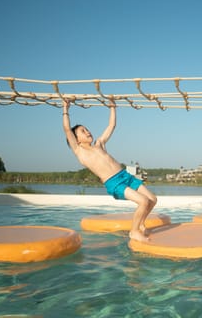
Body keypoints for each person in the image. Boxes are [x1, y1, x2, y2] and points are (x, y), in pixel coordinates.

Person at [62, 97, 157, 242]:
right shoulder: (80, 152)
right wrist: (65, 109)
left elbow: (111, 125)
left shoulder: (99, 144)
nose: (88, 132)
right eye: (83, 131)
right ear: (77, 139)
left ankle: (141, 224)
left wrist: (112, 107)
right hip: (114, 183)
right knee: (143, 202)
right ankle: (134, 231)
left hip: (126, 176)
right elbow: (67, 129)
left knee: (152, 199)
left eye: (87, 129)